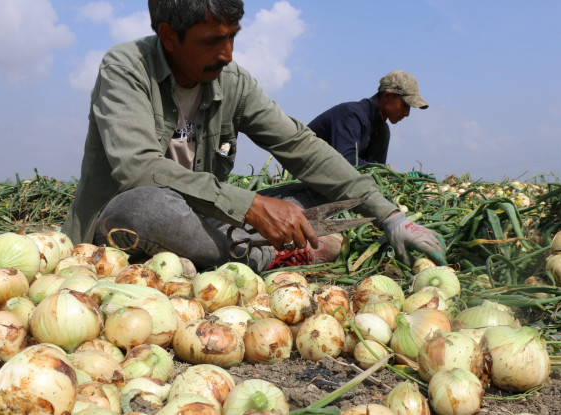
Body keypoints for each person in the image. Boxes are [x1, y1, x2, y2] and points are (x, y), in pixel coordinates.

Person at [61, 0, 446, 272]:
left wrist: (391, 217)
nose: (228, 53)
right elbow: (138, 169)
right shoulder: (126, 68)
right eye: (213, 41)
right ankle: (266, 257)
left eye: (233, 36)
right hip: (129, 226)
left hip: (208, 224)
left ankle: (227, 255)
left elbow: (301, 147)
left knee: (333, 190)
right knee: (144, 206)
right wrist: (250, 207)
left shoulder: (233, 82)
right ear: (169, 36)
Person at [308, 70, 428, 167]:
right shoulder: (351, 115)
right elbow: (345, 162)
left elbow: (374, 174)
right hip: (301, 173)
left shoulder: (381, 131)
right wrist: (383, 170)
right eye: (405, 105)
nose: (407, 113)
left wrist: (382, 171)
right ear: (388, 96)